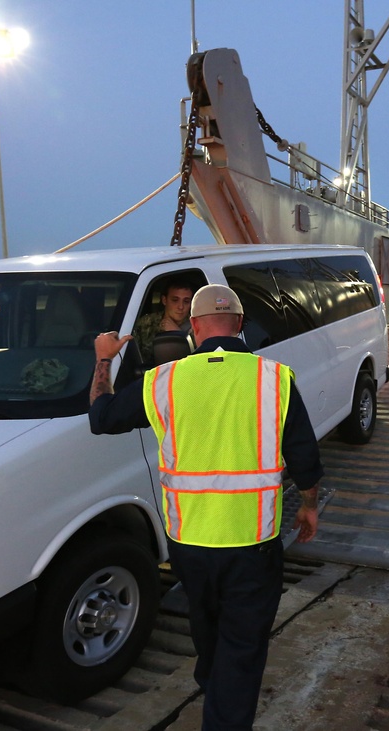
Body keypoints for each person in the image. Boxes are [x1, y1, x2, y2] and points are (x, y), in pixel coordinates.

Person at [89, 284, 323, 731]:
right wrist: (308, 506)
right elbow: (305, 459)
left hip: (189, 545)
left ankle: (214, 684)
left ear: (195, 329)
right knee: (244, 645)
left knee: (208, 628)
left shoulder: (163, 380)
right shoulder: (275, 378)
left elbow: (101, 418)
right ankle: (224, 710)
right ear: (240, 325)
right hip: (252, 543)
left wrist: (104, 358)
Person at [132, 279, 195, 362]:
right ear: (164, 300)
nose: (181, 307)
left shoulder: (196, 326)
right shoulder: (146, 323)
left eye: (186, 301)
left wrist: (178, 333)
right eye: (175, 300)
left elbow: (197, 359)